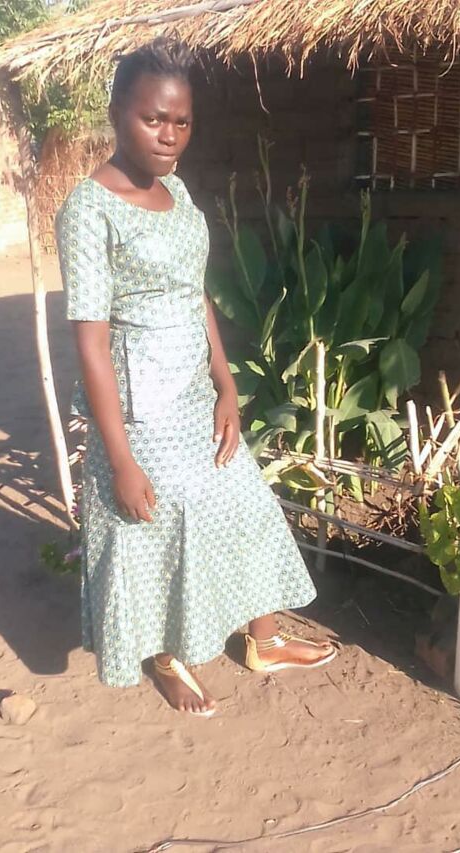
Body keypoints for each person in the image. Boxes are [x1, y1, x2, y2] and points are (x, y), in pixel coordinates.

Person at [55, 38, 336, 718]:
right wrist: (119, 458)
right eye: (154, 118)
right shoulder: (87, 210)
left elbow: (196, 292)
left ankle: (264, 640)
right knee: (157, 526)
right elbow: (90, 342)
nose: (169, 134)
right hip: (141, 408)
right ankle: (166, 655)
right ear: (118, 112)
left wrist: (227, 383)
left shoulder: (176, 192)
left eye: (181, 121)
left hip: (194, 390)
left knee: (246, 502)